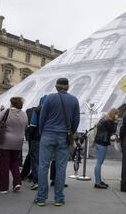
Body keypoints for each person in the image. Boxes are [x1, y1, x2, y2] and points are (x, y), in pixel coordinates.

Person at [35, 78, 80, 206]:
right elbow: (76, 119)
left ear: (56, 86)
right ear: (68, 87)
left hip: (48, 134)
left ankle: (41, 198)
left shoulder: (49, 98)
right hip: (64, 136)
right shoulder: (74, 100)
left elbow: (42, 117)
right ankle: (59, 198)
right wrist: (71, 131)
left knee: (43, 166)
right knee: (61, 167)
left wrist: (41, 132)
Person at [0, 97, 28, 193]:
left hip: (6, 141)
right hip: (18, 142)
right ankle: (17, 182)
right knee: (14, 162)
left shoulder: (7, 112)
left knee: (4, 164)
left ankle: (3, 187)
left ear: (12, 103)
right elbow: (26, 125)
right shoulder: (24, 114)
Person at [94, 108, 119, 189]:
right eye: (116, 114)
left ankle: (99, 180)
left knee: (98, 163)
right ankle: (98, 182)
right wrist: (115, 122)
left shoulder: (104, 119)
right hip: (102, 143)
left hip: (99, 142)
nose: (117, 116)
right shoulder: (109, 122)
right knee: (99, 163)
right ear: (113, 114)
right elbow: (113, 130)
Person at [27, 95, 47, 190]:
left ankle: (37, 181)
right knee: (45, 161)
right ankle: (44, 181)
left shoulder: (37, 110)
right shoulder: (52, 110)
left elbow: (33, 124)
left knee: (35, 160)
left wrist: (29, 137)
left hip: (37, 138)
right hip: (48, 137)